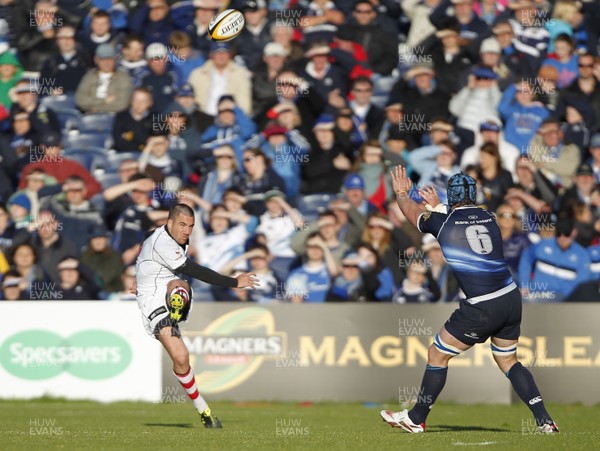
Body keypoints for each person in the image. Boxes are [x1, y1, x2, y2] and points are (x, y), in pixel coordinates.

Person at [380, 166, 559, 434]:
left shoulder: (442, 223)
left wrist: (402, 193)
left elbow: (412, 213)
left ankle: (416, 418)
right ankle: (545, 420)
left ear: (450, 196)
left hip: (483, 304)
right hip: (509, 298)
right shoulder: (489, 218)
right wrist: (439, 206)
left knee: (437, 354)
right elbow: (464, 225)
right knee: (509, 361)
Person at [134, 204, 258, 427]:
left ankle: (204, 411)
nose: (187, 231)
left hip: (164, 289)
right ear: (169, 223)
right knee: (180, 284)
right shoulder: (162, 242)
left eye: (191, 226)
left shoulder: (166, 235)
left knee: (182, 359)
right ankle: (175, 309)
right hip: (153, 298)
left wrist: (141, 272)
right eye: (182, 225)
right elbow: (194, 270)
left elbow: (147, 236)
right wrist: (234, 282)